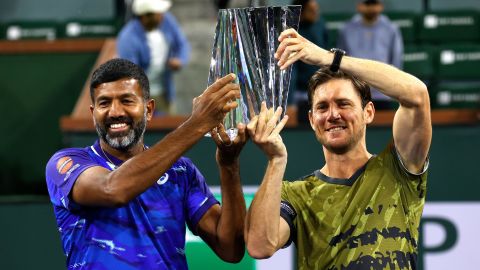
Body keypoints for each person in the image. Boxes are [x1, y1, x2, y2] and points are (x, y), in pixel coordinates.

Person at [245, 29, 431, 269]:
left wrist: (329, 59)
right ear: (312, 120)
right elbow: (260, 245)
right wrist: (275, 161)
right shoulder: (295, 194)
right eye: (322, 107)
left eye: (343, 104)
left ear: (369, 112)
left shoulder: (398, 170)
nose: (333, 115)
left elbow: (417, 95)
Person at [45, 58, 247, 269]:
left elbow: (231, 249)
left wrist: (229, 165)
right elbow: (112, 189)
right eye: (104, 103)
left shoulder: (181, 171)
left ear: (149, 110)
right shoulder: (66, 163)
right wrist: (196, 124)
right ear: (93, 113)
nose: (115, 112)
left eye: (127, 100)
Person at [117, 0, 190, 115]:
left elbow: (182, 44)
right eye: (158, 13)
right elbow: (132, 76)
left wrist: (180, 60)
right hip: (142, 96)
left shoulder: (167, 21)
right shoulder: (127, 38)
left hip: (165, 91)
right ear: (146, 16)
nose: (162, 16)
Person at [337, 0, 403, 110]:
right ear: (359, 6)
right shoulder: (346, 29)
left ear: (381, 6)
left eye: (374, 3)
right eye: (367, 4)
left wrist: (392, 87)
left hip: (383, 93)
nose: (371, 8)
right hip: (356, 92)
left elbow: (396, 60)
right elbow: (341, 61)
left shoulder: (391, 28)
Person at [290, 0, 328, 124]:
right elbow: (290, 69)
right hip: (299, 93)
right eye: (311, 10)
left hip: (320, 88)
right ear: (301, 11)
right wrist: (291, 102)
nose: (315, 13)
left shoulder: (320, 25)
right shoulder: (291, 28)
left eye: (316, 10)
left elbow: (327, 56)